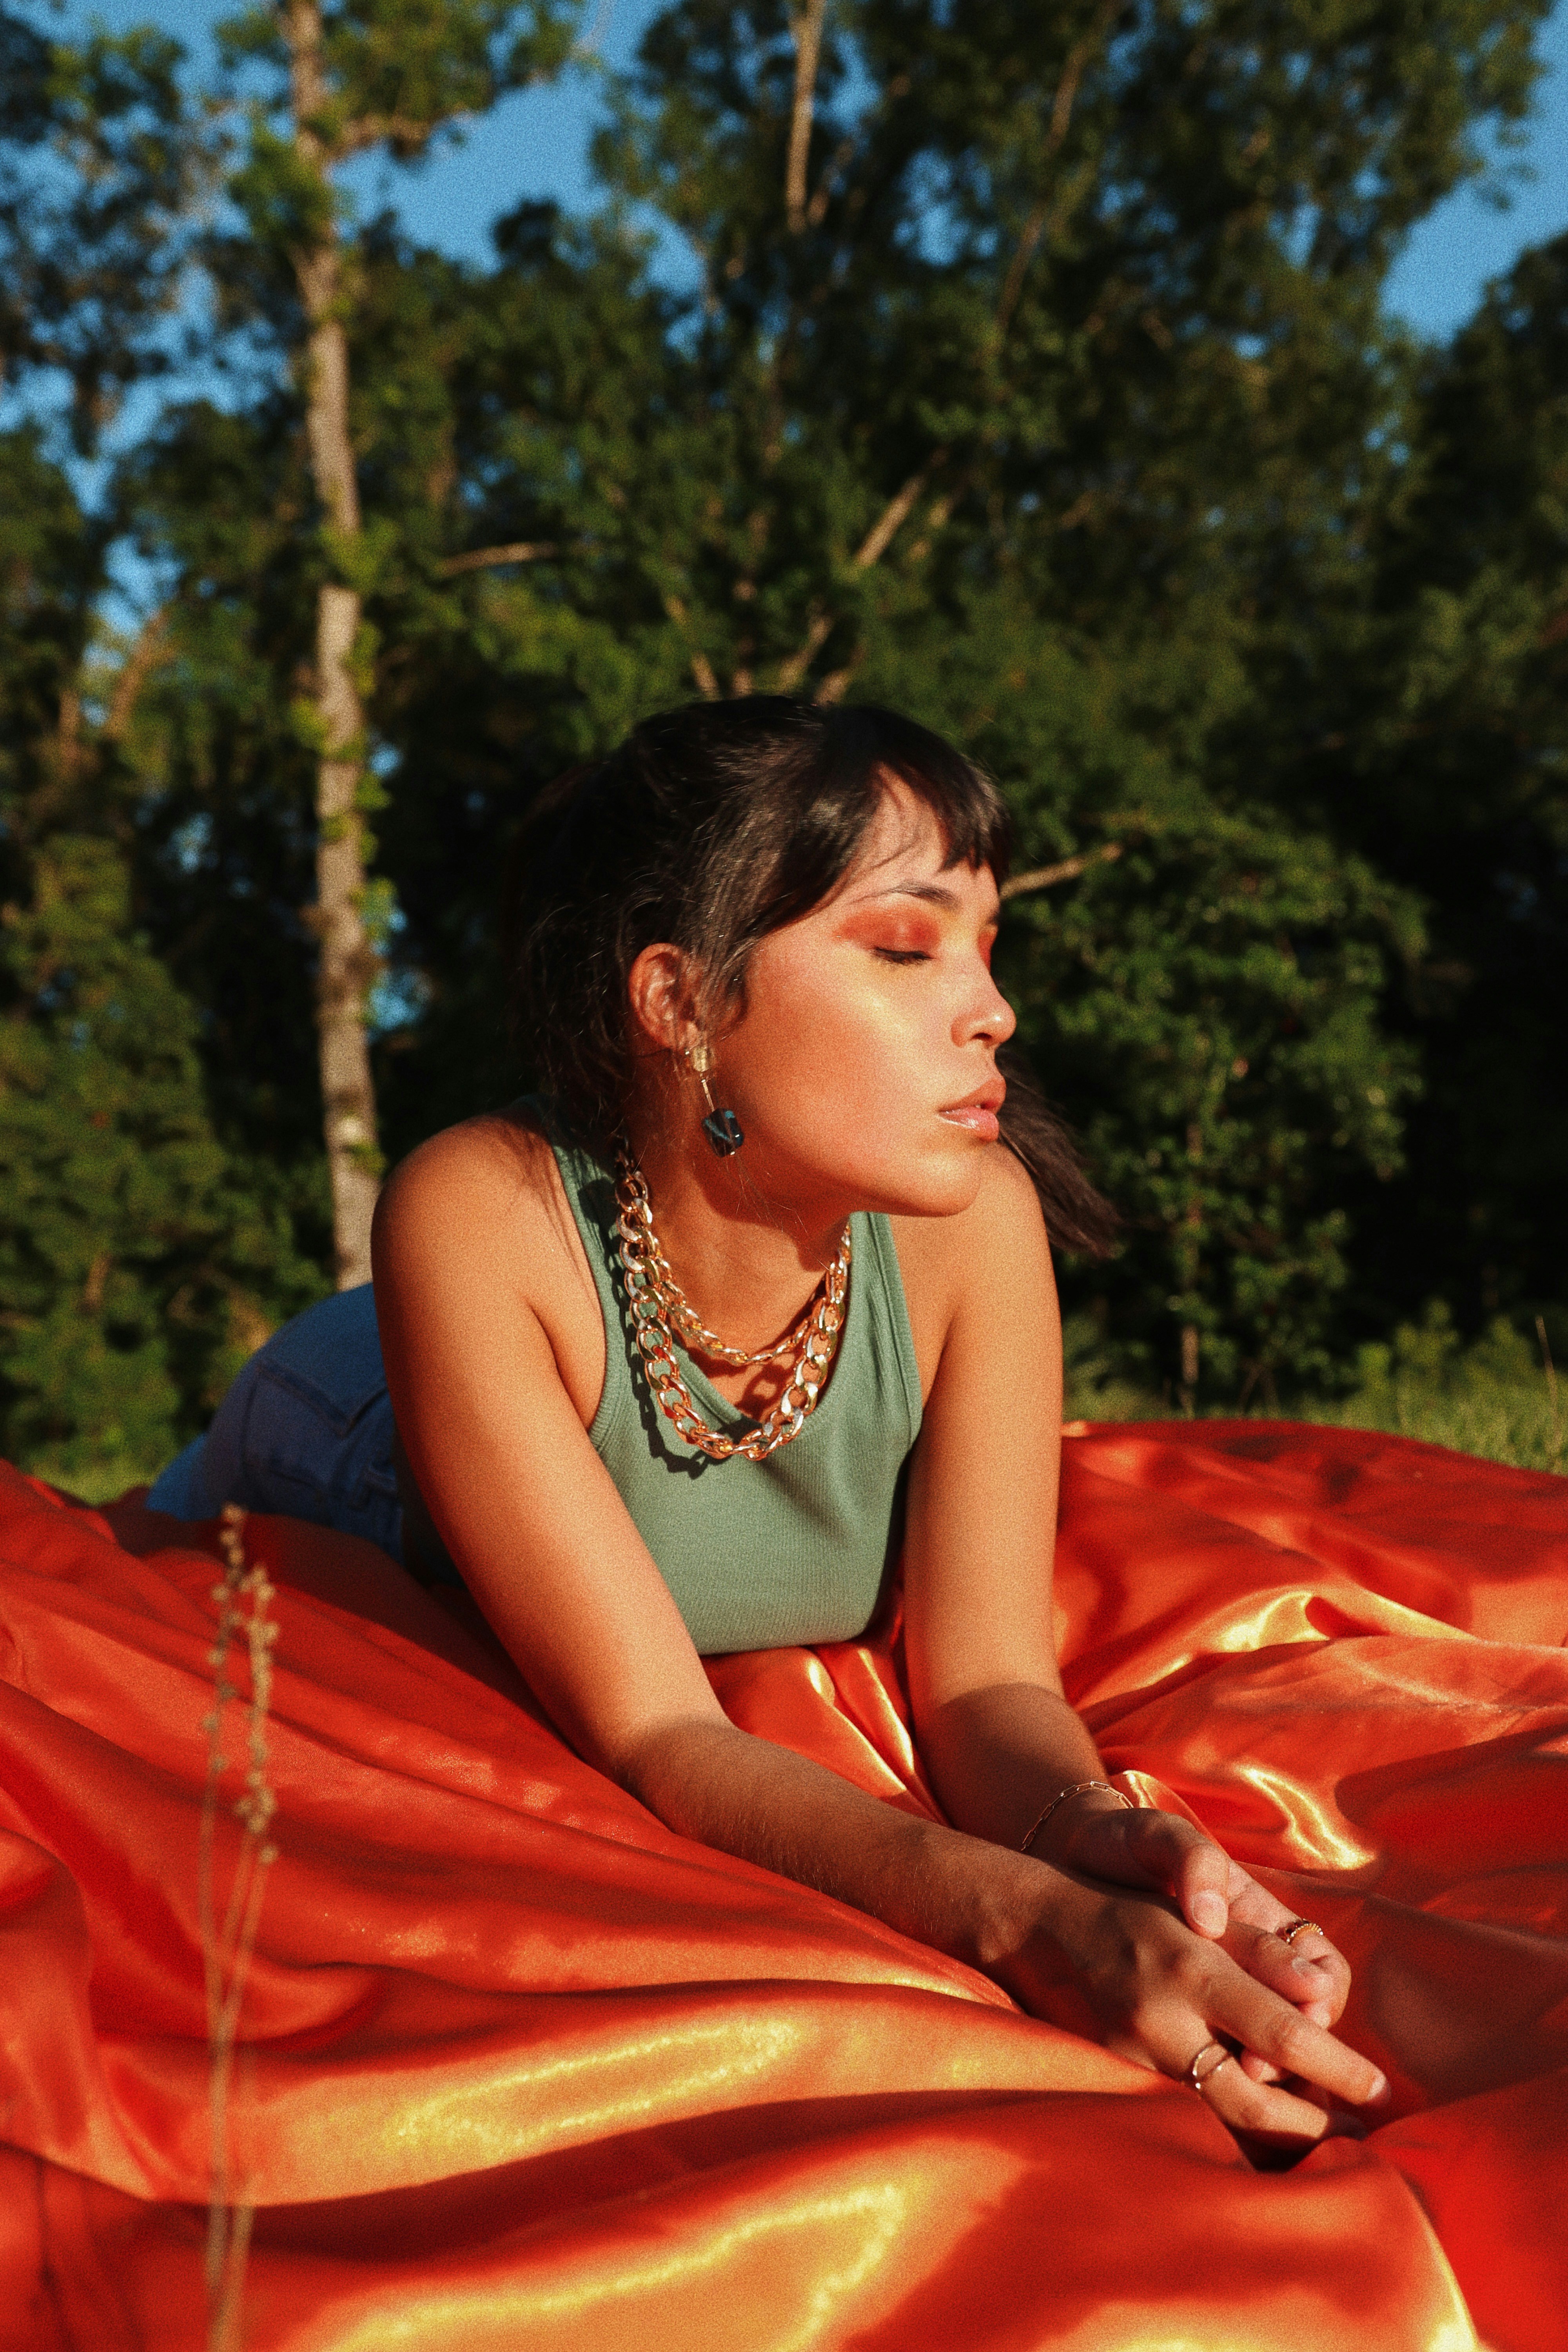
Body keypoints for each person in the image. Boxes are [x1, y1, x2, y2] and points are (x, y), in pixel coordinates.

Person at [148, 697, 1388, 2145]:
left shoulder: (978, 1228)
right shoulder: (475, 1218)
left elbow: (987, 1683)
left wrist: (1096, 1838)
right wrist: (1026, 1927)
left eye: (990, 948)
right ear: (679, 1003)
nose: (993, 1009)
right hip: (338, 1432)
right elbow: (662, 1736)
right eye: (907, 947)